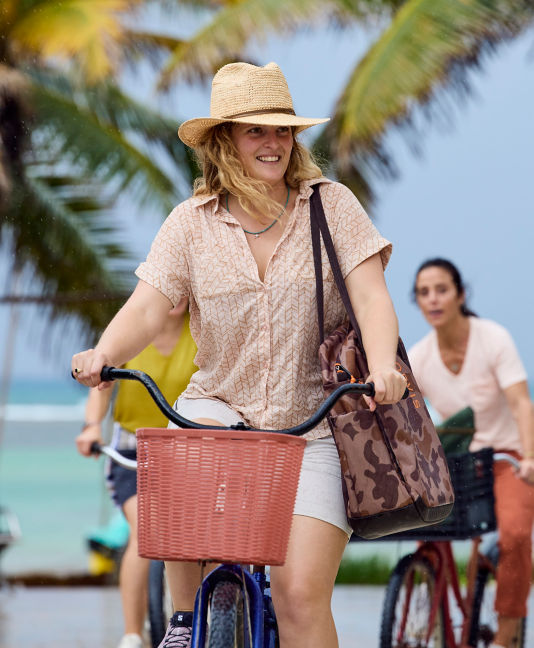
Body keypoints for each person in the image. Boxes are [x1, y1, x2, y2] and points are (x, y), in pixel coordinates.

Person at [72, 60, 406, 648]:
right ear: (225, 140)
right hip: (220, 406)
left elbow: (371, 296)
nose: (273, 142)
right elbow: (148, 307)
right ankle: (182, 622)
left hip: (316, 424)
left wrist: (382, 366)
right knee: (179, 466)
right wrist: (102, 354)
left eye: (282, 130)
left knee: (299, 598)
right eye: (256, 130)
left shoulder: (331, 206)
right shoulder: (190, 224)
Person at [409, 258, 534, 648]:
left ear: (460, 294)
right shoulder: (419, 357)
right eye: (424, 293)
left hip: (505, 457)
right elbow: (409, 420)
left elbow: (521, 403)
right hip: (459, 464)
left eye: (441, 290)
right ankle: (430, 614)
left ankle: (506, 634)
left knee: (516, 536)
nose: (433, 299)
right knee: (426, 531)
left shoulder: (492, 339)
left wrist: (530, 457)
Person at [76, 299, 197, 648]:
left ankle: (200, 618)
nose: (175, 297)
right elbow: (101, 382)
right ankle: (132, 634)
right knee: (145, 532)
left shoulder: (200, 331)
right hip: (134, 450)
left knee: (195, 534)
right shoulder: (132, 330)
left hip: (189, 451)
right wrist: (91, 426)